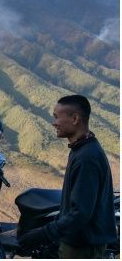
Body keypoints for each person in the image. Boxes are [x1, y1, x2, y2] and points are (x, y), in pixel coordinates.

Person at [18, 94, 117, 259]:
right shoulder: (81, 149)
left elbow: (79, 214)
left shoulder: (86, 158)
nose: (53, 123)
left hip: (83, 248)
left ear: (75, 118)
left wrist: (43, 234)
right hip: (77, 242)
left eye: (57, 117)